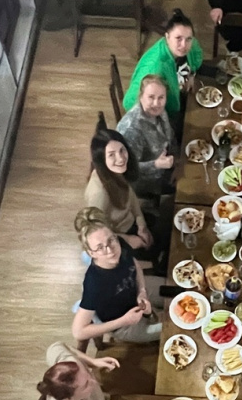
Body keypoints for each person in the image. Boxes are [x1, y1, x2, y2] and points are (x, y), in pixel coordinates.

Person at [72, 220, 161, 345]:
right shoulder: (94, 283)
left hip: (138, 290)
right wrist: (124, 321)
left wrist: (142, 291)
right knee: (173, 326)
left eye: (111, 240)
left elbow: (134, 264)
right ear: (91, 253)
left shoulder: (121, 244)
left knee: (181, 290)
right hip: (123, 324)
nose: (110, 250)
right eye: (100, 247)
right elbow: (78, 332)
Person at [83, 124, 154, 254]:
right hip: (118, 239)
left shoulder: (115, 171)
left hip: (132, 222)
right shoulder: (99, 193)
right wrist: (129, 240)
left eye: (122, 150)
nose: (121, 158)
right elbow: (96, 231)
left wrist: (142, 225)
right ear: (101, 159)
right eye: (111, 155)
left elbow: (131, 197)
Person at [123, 10, 202, 115]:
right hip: (163, 111)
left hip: (178, 91)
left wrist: (192, 74)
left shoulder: (187, 44)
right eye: (178, 38)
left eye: (188, 39)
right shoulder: (156, 68)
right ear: (167, 37)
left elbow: (196, 53)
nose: (184, 45)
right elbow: (131, 104)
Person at [116, 73, 177, 199]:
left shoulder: (158, 111)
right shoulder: (132, 129)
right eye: (151, 97)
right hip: (149, 181)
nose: (156, 103)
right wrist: (156, 164)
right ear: (141, 97)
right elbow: (127, 168)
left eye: (161, 97)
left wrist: (177, 159)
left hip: (168, 161)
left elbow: (169, 135)